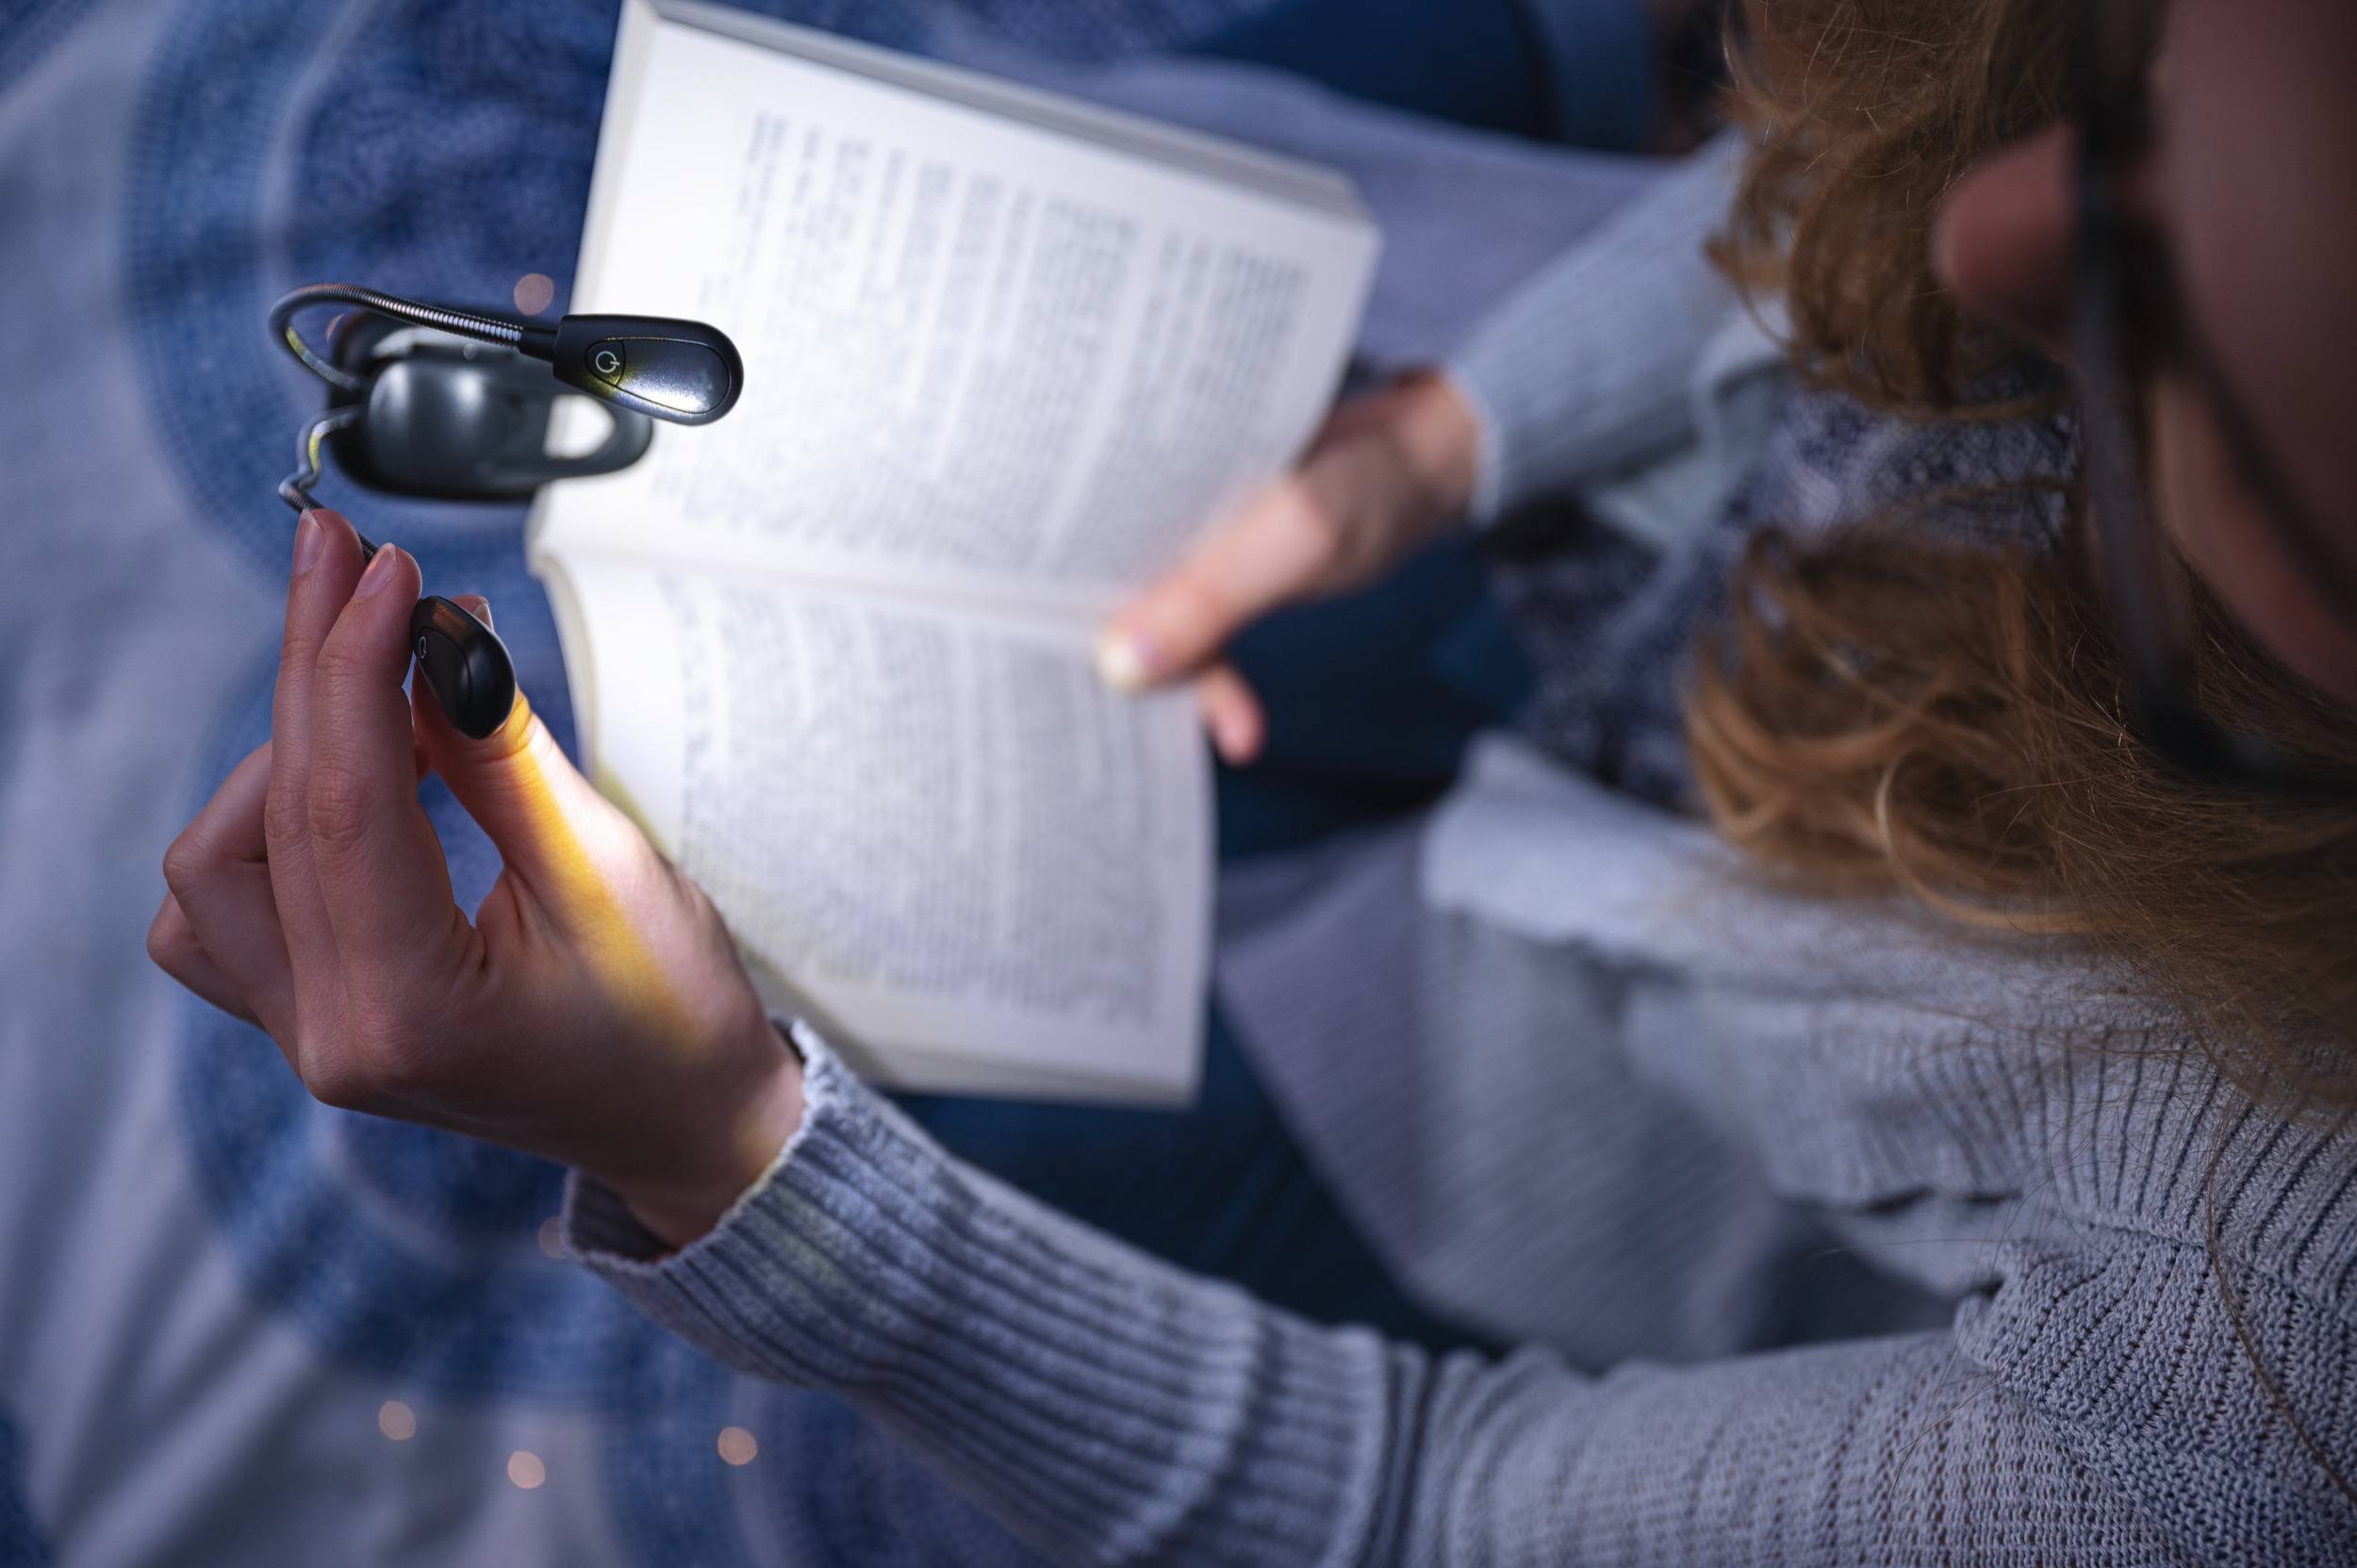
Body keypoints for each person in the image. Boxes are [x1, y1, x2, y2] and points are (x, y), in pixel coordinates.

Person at [147, 0, 2357, 1560]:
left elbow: (1412, 1503)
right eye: (2127, 65)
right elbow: (1844, 216)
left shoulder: (2249, 1365)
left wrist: (727, 1151)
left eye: (2158, 324)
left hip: (1582, 1063)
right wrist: (1442, 446)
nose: (1986, 247)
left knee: (929, 1069)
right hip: (1630, 598)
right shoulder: (2006, 202)